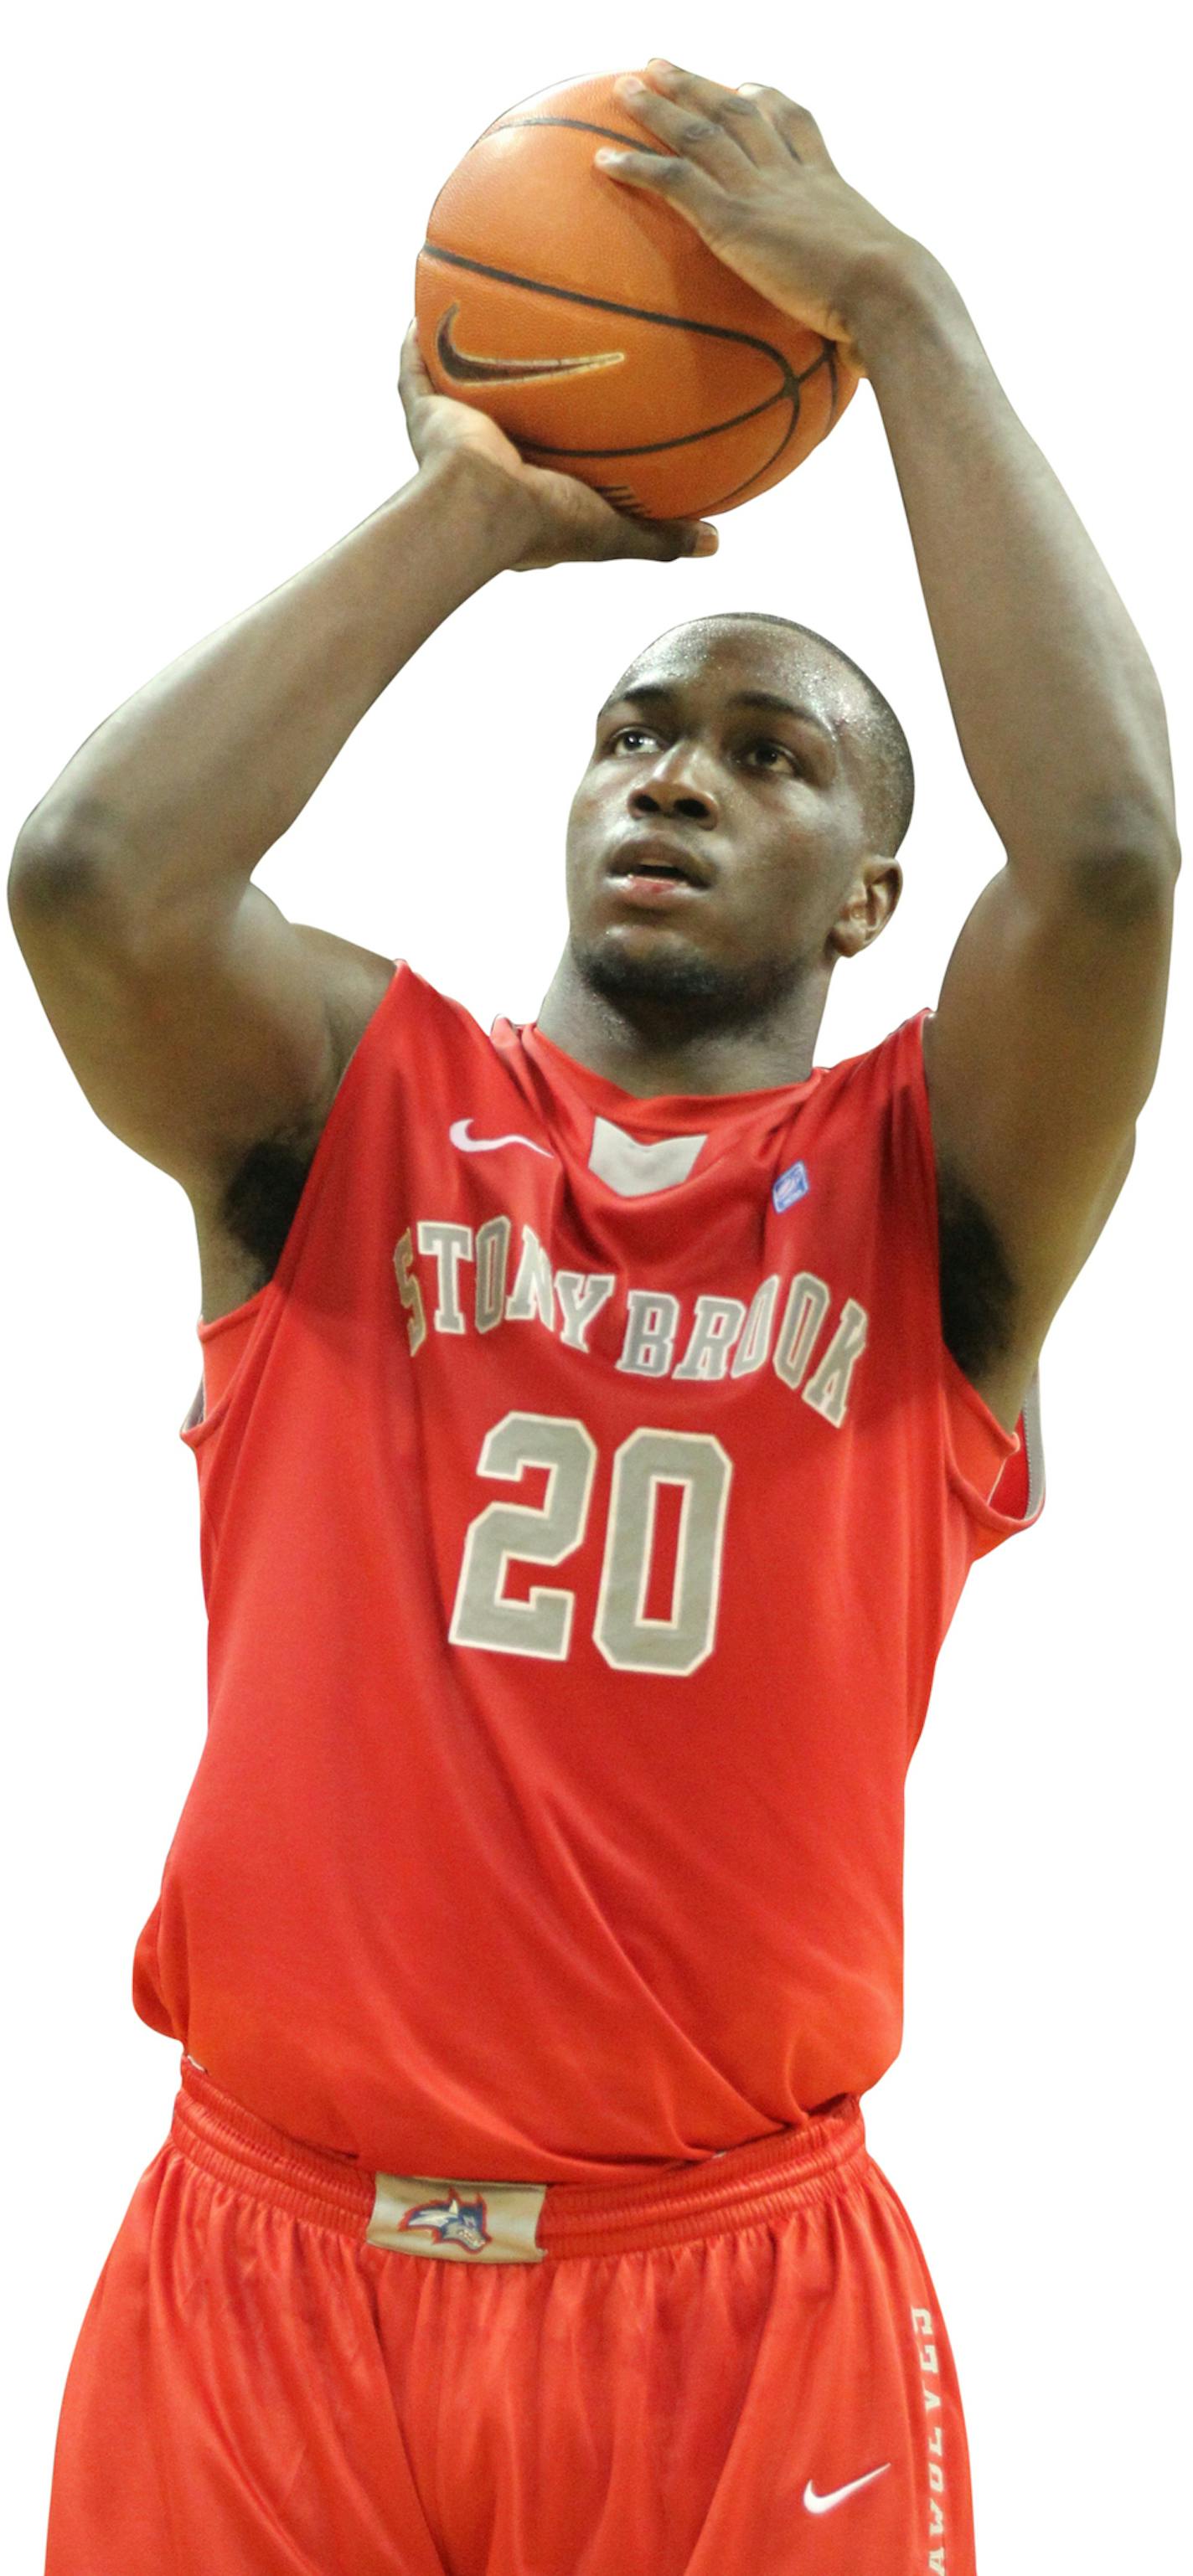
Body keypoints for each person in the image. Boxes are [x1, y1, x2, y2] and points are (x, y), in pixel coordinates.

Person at [10, 63, 1179, 2576]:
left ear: (870, 892)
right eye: (640, 731)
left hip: (724, 2303)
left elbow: (1103, 856)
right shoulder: (351, 1105)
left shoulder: (928, 1200)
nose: (676, 777)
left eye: (769, 758)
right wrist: (473, 506)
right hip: (263, 2272)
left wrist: (904, 308)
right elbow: (93, 871)